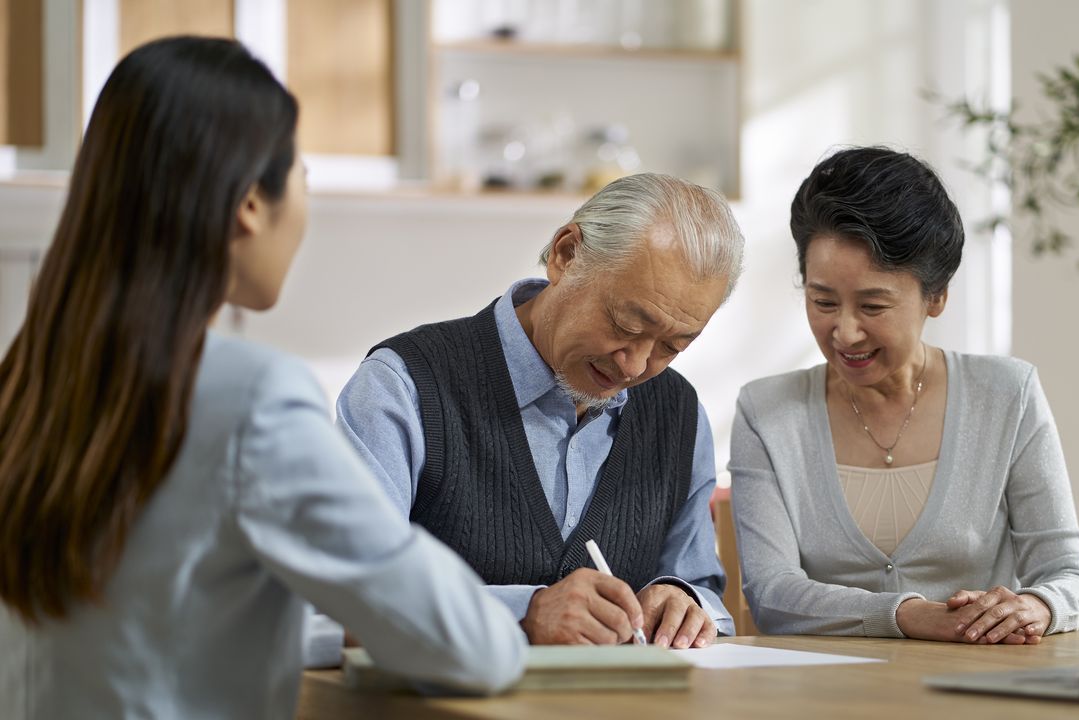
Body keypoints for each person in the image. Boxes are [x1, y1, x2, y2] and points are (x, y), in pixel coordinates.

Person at [0, 37, 526, 719]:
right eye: (302, 174)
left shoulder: (25, 380)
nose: (305, 200)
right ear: (250, 202)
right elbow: (468, 646)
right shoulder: (252, 397)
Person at [337, 173, 743, 648]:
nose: (634, 365)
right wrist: (522, 616)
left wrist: (683, 602)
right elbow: (344, 594)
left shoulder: (677, 413)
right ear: (567, 255)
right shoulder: (403, 385)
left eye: (672, 346)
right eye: (625, 323)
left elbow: (701, 588)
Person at [730, 147, 1079, 644]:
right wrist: (910, 616)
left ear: (937, 295)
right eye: (822, 301)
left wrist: (1035, 606)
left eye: (873, 305)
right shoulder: (767, 413)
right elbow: (772, 595)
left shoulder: (1007, 396)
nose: (845, 332)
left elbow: (1072, 577)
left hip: (974, 688)